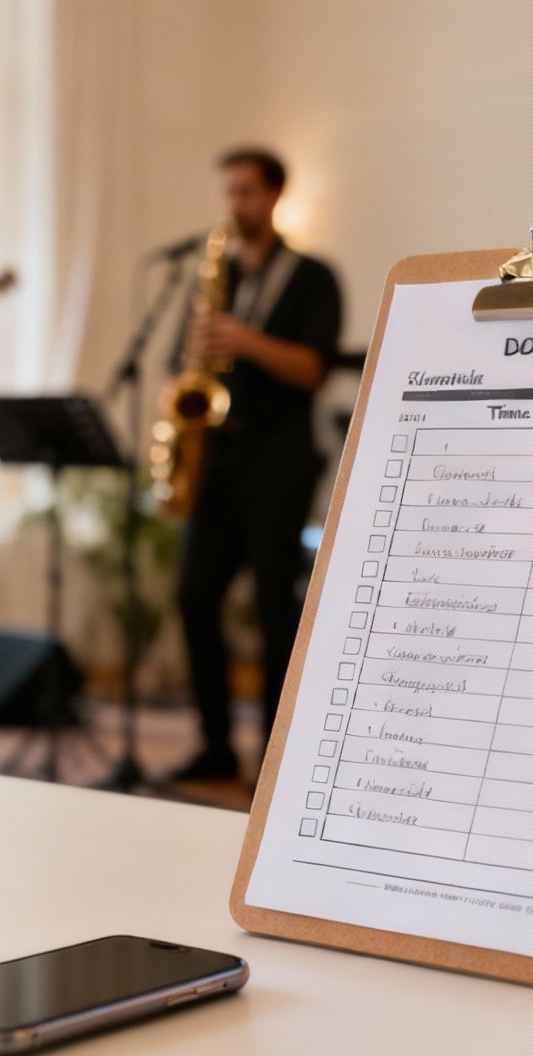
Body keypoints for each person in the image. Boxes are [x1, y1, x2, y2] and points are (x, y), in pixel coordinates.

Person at [171, 147, 343, 783]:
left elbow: (313, 369)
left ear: (274, 195)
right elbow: (180, 363)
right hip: (217, 459)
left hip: (280, 459)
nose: (233, 205)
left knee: (275, 606)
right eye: (227, 192)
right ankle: (214, 742)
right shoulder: (212, 278)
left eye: (244, 192)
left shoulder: (312, 276)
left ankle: (275, 753)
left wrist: (246, 341)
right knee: (193, 595)